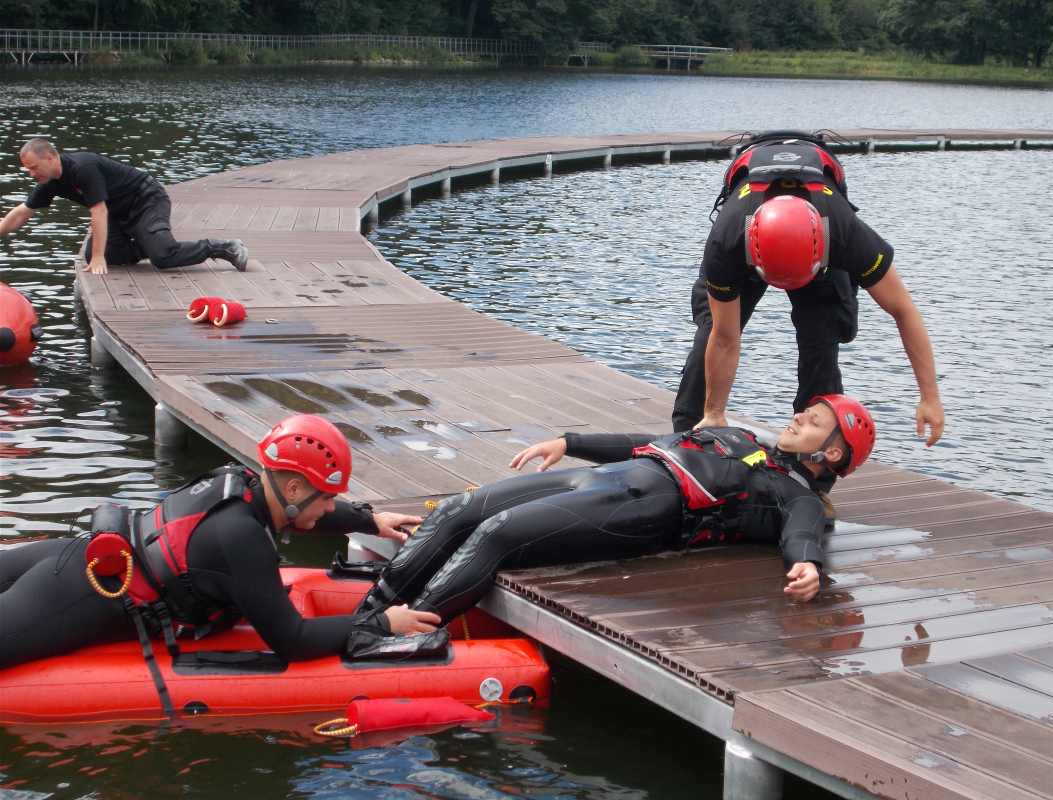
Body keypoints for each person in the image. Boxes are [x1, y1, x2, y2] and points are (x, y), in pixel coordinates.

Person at [356, 394, 876, 625]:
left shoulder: (796, 494)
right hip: (607, 476)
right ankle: (370, 613)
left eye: (811, 421)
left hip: (646, 505)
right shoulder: (741, 438)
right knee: (458, 509)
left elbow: (803, 534)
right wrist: (569, 440)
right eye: (803, 411)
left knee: (497, 531)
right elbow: (653, 440)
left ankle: (399, 636)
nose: (796, 418)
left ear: (830, 454)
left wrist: (806, 565)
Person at [0, 414, 439, 670]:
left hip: (73, 556)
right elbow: (295, 639)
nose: (330, 509)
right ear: (292, 490)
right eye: (327, 499)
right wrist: (383, 625)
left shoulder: (241, 482)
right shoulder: (242, 538)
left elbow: (304, 514)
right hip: (79, 595)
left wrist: (370, 520)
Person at [671, 131, 944, 449]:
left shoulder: (845, 233)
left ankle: (813, 460)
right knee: (711, 331)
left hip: (819, 251)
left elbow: (903, 310)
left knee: (823, 343)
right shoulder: (727, 241)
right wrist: (715, 412)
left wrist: (930, 397)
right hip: (752, 240)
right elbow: (725, 338)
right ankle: (688, 440)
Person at [0, 138, 248, 275]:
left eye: (33, 167)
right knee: (94, 256)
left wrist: (98, 257)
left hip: (146, 200)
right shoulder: (50, 181)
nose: (31, 174)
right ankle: (147, 245)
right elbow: (22, 213)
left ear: (50, 157)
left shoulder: (82, 167)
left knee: (162, 257)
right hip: (117, 215)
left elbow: (98, 211)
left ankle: (222, 247)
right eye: (27, 169)